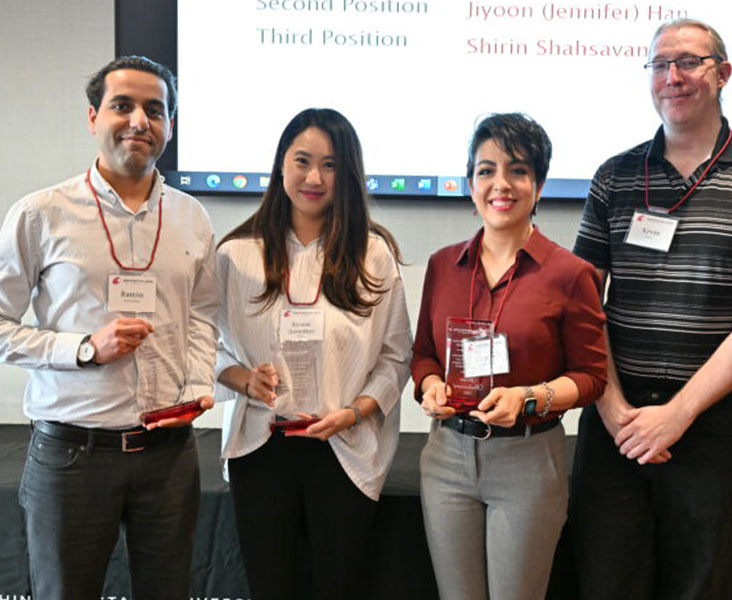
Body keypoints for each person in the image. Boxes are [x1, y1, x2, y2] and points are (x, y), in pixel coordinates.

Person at [568, 19, 732, 600]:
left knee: (695, 586)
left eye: (689, 62)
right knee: (603, 581)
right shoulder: (615, 175)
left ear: (723, 73)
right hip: (615, 421)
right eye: (659, 64)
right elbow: (580, 304)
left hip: (711, 425)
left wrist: (677, 414)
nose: (672, 76)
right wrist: (613, 407)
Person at [0, 56, 219, 599]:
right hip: (72, 457)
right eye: (123, 105)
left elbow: (201, 315)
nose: (139, 121)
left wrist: (197, 385)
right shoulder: (40, 214)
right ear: (93, 117)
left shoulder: (191, 217)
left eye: (155, 110)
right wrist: (83, 349)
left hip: (169, 453)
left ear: (169, 125)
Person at [215, 108, 412, 600]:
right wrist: (243, 379)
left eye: (330, 165)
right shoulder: (236, 254)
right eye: (302, 161)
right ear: (281, 164)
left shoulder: (373, 254)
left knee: (339, 587)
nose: (315, 178)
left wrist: (355, 412)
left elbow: (396, 357)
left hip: (343, 448)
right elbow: (206, 347)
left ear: (348, 175)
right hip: (262, 447)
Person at [410, 113, 607, 600]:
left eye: (518, 170)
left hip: (527, 459)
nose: (501, 184)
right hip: (447, 457)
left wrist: (529, 397)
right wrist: (430, 386)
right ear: (470, 184)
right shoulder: (443, 264)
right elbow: (424, 355)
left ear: (538, 185)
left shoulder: (570, 273)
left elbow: (591, 376)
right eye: (486, 170)